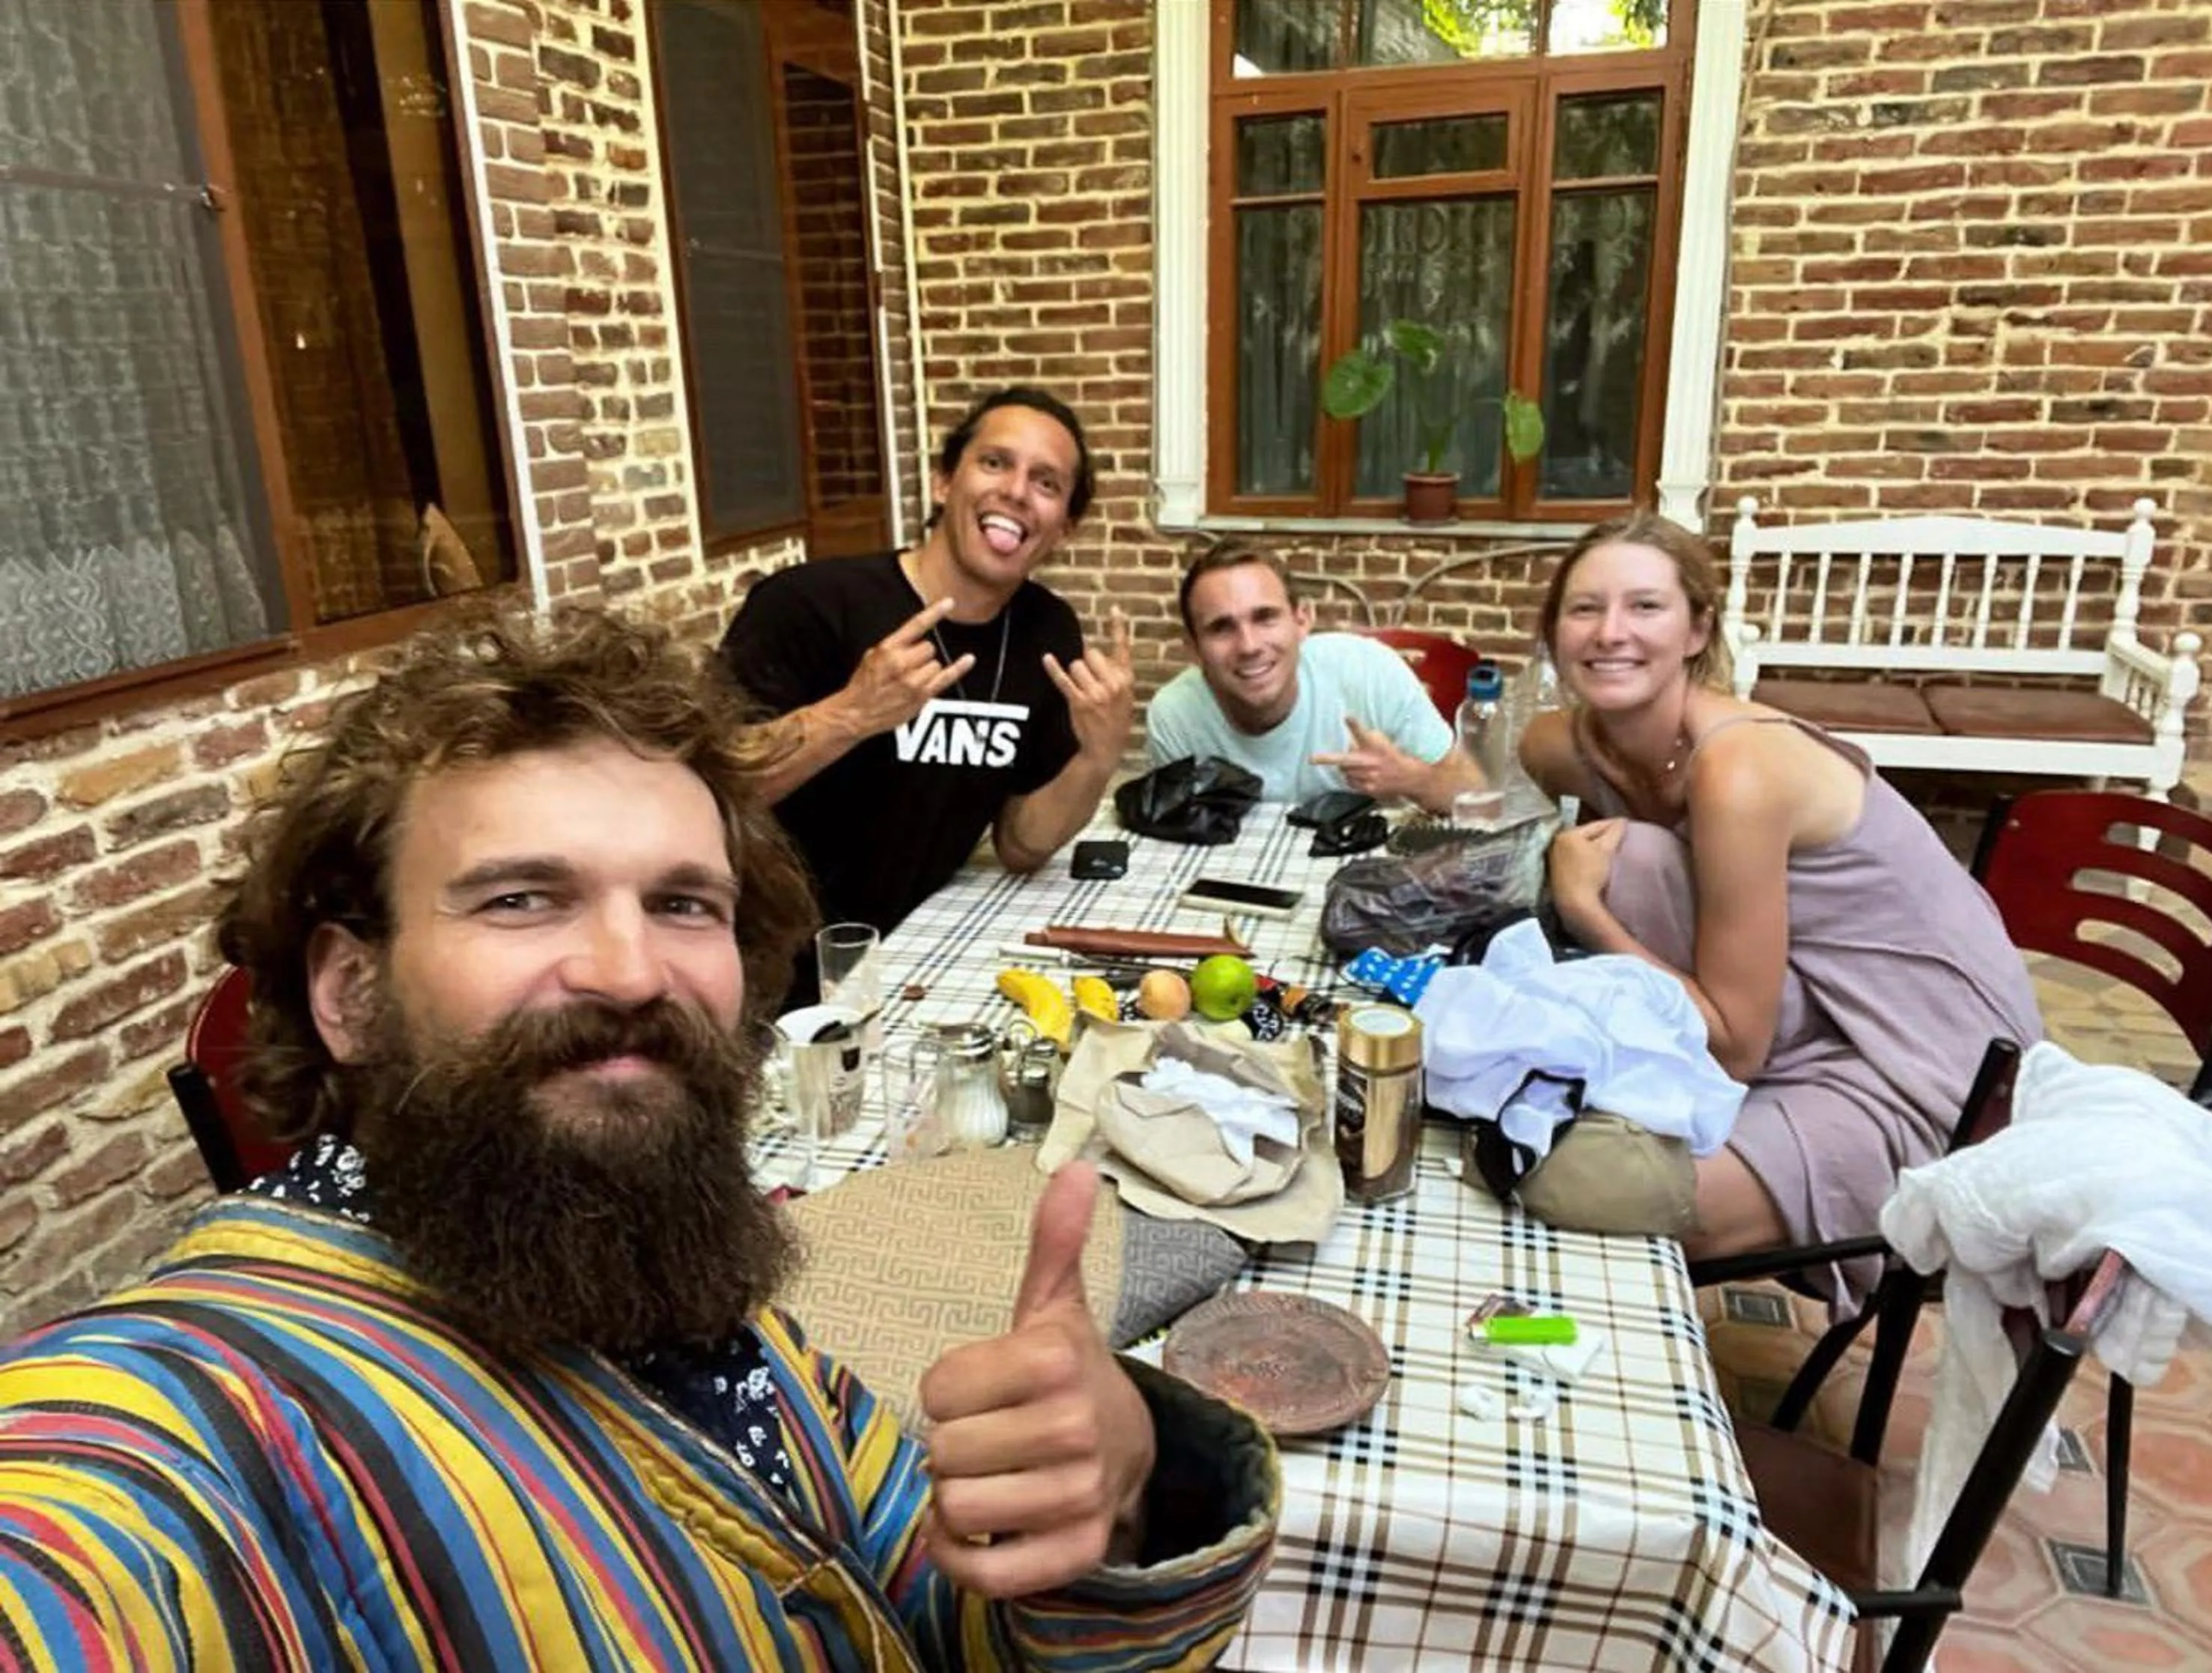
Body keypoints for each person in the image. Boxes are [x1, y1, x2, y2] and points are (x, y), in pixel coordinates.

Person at [0, 607, 1277, 1668]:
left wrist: (1114, 1501)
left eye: (682, 902)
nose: (628, 968)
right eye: (519, 896)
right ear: (351, 991)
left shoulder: (678, 1277)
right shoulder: (209, 1412)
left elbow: (942, 1606)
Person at [1514, 512, 2044, 1309]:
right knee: (1631, 869)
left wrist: (1584, 908)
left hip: (1926, 1067)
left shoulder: (1741, 767)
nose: (1610, 632)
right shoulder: (1572, 740)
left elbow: (1734, 1046)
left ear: (1697, 630)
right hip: (1805, 1004)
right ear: (1553, 632)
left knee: (1591, 1190)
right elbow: (1477, 782)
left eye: (1645, 607)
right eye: (1584, 608)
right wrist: (1415, 775)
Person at [719, 387, 1134, 937]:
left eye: (1047, 483)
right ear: (944, 481)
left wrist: (1097, 758)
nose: (1016, 491)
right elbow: (714, 786)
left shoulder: (1046, 631)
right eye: (994, 463)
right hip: (769, 955)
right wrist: (849, 715)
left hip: (914, 947)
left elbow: (1020, 844)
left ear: (1064, 527)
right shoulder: (807, 603)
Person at [1146, 543, 1482, 812]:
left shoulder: (1369, 672)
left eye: (1265, 617)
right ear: (1192, 648)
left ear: (1303, 620)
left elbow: (1479, 796)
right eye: (1221, 628)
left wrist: (1413, 779)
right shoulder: (1176, 715)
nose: (1249, 646)